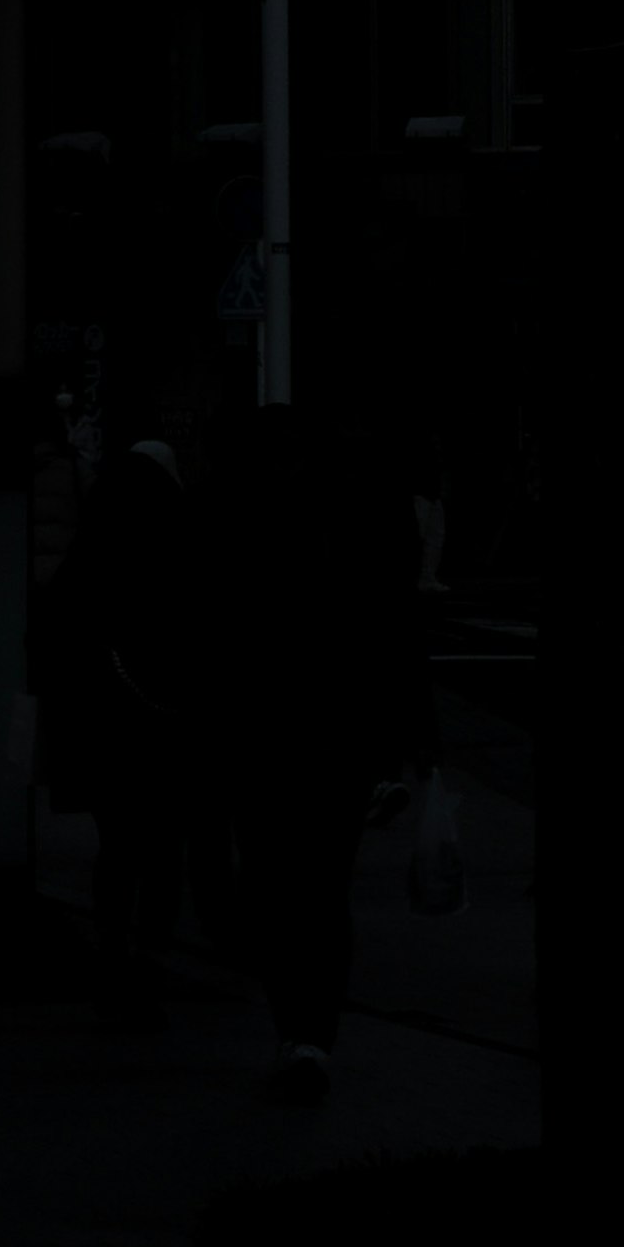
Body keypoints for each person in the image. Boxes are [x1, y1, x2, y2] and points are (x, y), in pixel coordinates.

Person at [192, 397, 440, 1105]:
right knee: (320, 888)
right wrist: (413, 730)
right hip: (338, 729)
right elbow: (398, 620)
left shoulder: (233, 512)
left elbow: (206, 625)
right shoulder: (366, 511)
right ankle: (311, 1034)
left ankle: (299, 1030)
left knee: (278, 882)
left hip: (267, 728)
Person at [31, 394, 205, 1027]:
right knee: (164, 852)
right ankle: (151, 958)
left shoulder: (89, 566)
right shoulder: (185, 561)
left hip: (106, 727)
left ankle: (110, 952)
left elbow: (54, 637)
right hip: (170, 727)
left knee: (120, 848)